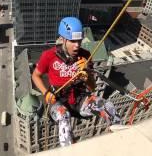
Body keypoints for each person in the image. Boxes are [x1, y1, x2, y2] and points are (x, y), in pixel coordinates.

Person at [32, 17, 119, 147]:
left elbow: (92, 87)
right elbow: (36, 75)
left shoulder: (85, 55)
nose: (77, 45)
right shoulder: (49, 56)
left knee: (108, 106)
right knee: (63, 116)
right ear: (62, 39)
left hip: (79, 99)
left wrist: (87, 74)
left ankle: (120, 138)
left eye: (79, 40)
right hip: (58, 100)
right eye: (73, 41)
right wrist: (45, 93)